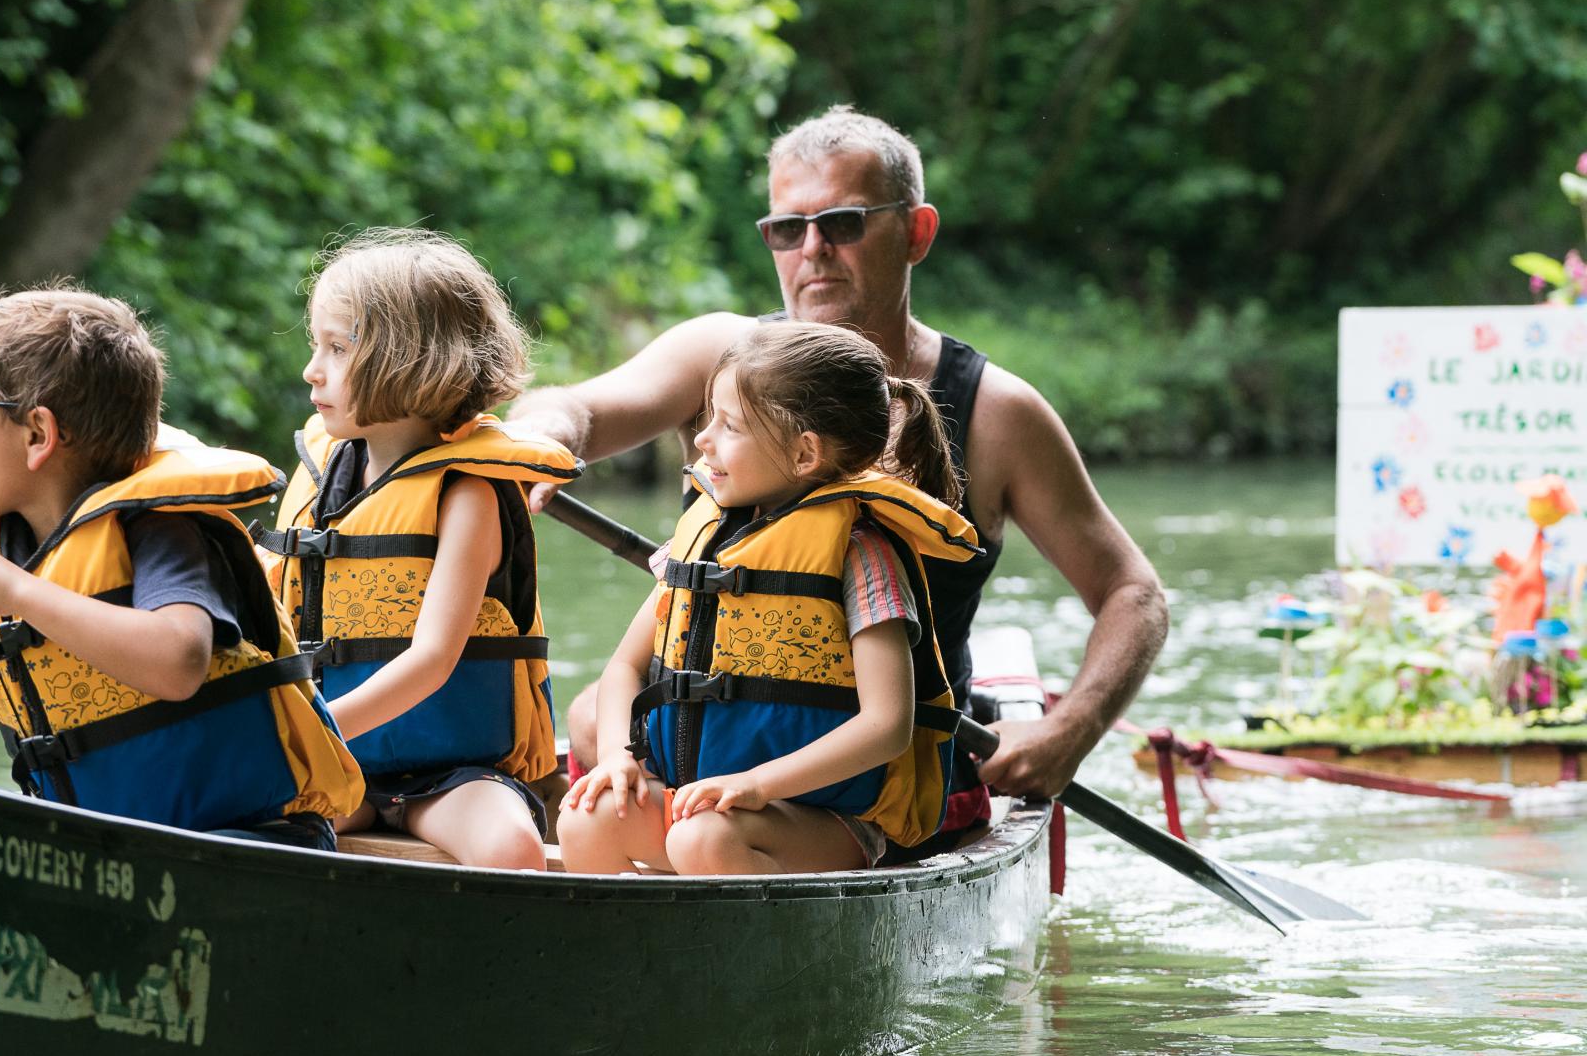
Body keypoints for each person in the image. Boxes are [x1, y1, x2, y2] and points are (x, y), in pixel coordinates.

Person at [510, 105, 1167, 831]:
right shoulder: (720, 354)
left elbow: (1132, 592)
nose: (812, 249)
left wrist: (1071, 728)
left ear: (916, 232)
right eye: (787, 229)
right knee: (591, 712)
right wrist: (543, 434)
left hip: (878, 776)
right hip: (713, 750)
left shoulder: (994, 412)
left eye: (844, 223)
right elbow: (577, 408)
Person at [0, 286, 365, 848]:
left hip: (246, 840)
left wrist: (17, 591)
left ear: (37, 434)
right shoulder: (3, 565)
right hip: (103, 855)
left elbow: (178, 662)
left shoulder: (159, 533)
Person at [557, 322, 980, 874]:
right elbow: (624, 669)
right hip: (708, 806)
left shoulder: (862, 556)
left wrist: (758, 784)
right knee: (587, 814)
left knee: (701, 839)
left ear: (805, 453)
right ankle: (621, 957)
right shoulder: (710, 536)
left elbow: (887, 725)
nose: (703, 439)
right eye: (709, 418)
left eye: (729, 425)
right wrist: (617, 755)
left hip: (822, 820)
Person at [254, 228, 582, 870]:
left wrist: (314, 734)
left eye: (336, 348)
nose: (310, 369)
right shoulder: (324, 481)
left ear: (411, 361)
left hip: (452, 773)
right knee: (234, 807)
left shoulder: (467, 496)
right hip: (346, 761)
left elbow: (432, 660)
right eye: (314, 344)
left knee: (511, 847)